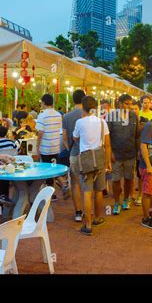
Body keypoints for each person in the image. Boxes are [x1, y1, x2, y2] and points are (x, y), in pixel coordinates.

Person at [73, 95, 111, 236]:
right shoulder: (102, 122)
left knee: (87, 192)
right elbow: (107, 144)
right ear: (95, 108)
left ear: (83, 107)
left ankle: (88, 225)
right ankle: (98, 218)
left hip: (86, 159)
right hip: (100, 159)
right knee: (99, 190)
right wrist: (108, 162)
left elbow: (75, 138)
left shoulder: (80, 122)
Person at [107, 94, 138, 215]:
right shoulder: (111, 116)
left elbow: (136, 136)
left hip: (130, 154)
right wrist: (110, 153)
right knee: (115, 180)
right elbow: (107, 135)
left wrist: (138, 151)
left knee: (129, 179)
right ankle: (116, 202)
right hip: (116, 155)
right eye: (126, 103)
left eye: (130, 104)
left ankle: (126, 199)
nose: (129, 106)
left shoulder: (133, 116)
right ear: (119, 103)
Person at [62, 89, 85, 222]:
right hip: (88, 154)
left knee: (75, 183)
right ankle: (89, 210)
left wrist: (68, 148)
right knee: (88, 184)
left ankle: (78, 212)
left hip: (74, 153)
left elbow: (64, 137)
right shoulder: (88, 116)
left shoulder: (67, 116)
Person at [36, 94, 62, 194]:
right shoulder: (58, 115)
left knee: (47, 171)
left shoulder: (42, 115)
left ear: (43, 102)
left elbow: (40, 133)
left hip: (45, 148)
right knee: (53, 169)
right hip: (55, 146)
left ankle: (51, 193)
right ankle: (54, 191)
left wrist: (37, 147)